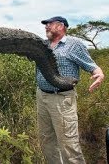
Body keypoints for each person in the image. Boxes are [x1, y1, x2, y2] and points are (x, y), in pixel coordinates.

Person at [36, 16, 105, 163]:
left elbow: (91, 65)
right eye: (45, 24)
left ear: (61, 26)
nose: (46, 26)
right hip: (42, 97)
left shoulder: (73, 44)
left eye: (50, 24)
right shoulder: (43, 45)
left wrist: (98, 73)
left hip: (62, 100)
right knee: (46, 140)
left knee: (68, 144)